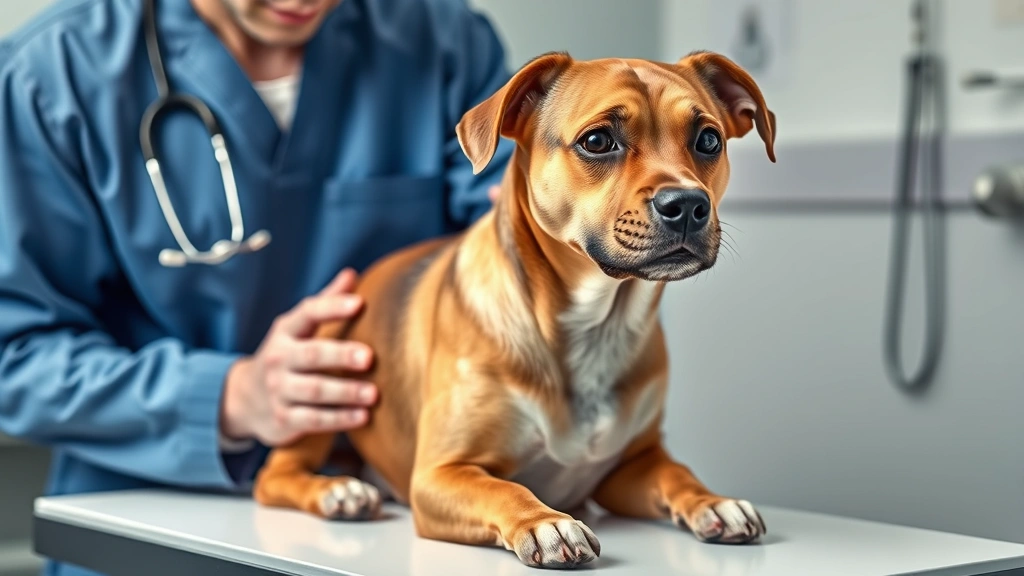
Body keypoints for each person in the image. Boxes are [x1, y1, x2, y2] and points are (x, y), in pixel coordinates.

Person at [0, 0, 513, 573]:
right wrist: (229, 397)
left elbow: (520, 233)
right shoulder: (52, 75)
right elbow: (14, 356)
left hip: (398, 527)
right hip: (145, 526)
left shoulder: (445, 45)